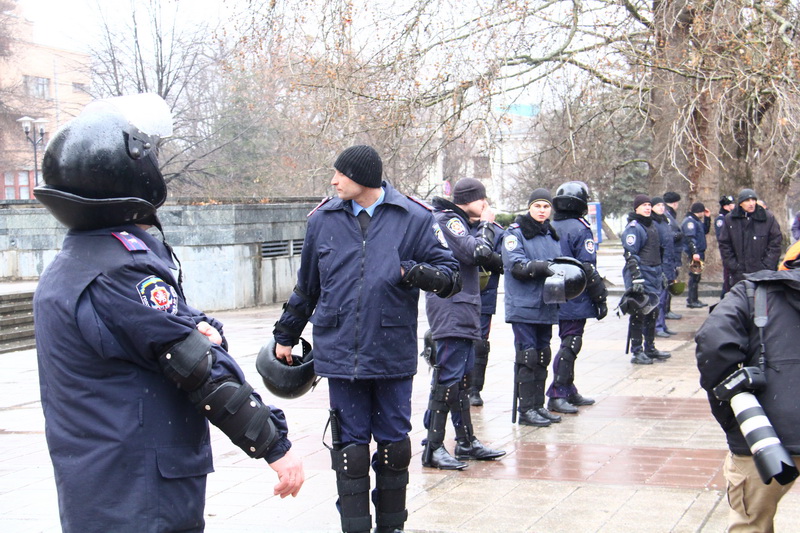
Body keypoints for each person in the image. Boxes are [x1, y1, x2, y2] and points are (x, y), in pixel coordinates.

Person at [32, 94, 304, 533]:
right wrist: (273, 443)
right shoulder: (120, 270)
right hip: (139, 491)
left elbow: (188, 329)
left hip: (105, 485)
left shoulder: (79, 262)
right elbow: (196, 363)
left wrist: (198, 331)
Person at [272, 145, 461, 533]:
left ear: (363, 178)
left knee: (394, 449)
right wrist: (286, 334)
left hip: (391, 351)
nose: (333, 180)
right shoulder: (322, 220)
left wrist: (411, 272)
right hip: (340, 351)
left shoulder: (413, 217)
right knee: (350, 453)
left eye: (340, 174)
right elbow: (307, 287)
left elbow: (451, 275)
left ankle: (391, 527)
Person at [696, 243, 800, 532]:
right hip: (766, 435)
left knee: (750, 524)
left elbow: (712, 346)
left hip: (764, 434)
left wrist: (735, 410)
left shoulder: (752, 292)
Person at [421, 177, 506, 470]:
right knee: (447, 378)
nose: (486, 204)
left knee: (462, 379)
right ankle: (433, 447)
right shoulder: (449, 220)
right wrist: (486, 224)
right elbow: (476, 252)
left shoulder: (457, 221)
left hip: (463, 307)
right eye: (481, 198)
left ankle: (466, 441)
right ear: (469, 199)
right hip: (451, 307)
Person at [503, 188, 564, 426]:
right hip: (524, 305)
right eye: (538, 206)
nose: (542, 210)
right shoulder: (515, 233)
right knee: (527, 357)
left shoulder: (551, 234)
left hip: (547, 304)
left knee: (542, 356)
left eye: (546, 206)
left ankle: (538, 405)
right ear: (529, 207)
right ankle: (526, 409)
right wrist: (542, 267)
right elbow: (516, 265)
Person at [546, 181, 608, 414]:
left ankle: (568, 388)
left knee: (566, 340)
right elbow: (587, 266)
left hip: (553, 291)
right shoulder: (580, 229)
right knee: (571, 341)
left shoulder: (552, 225)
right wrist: (599, 297)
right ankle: (557, 392)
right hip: (574, 292)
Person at [621, 194, 671, 365]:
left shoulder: (652, 225)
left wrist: (661, 274)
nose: (648, 208)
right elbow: (630, 254)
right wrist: (636, 278)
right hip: (641, 275)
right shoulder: (635, 228)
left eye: (649, 205)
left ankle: (650, 347)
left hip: (654, 273)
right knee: (638, 313)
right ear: (636, 208)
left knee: (653, 312)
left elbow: (657, 251)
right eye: (644, 205)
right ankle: (637, 351)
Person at [468, 217, 505, 407]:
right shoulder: (455, 224)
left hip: (485, 295)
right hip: (458, 293)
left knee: (480, 343)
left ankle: (474, 389)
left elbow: (505, 263)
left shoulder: (497, 231)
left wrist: (484, 254)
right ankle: (454, 385)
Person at [718, 188, 783, 292]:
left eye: (753, 200)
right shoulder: (730, 219)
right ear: (740, 203)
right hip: (739, 274)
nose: (751, 203)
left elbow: (776, 242)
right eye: (747, 201)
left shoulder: (768, 217)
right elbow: (725, 244)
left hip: (763, 274)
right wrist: (734, 266)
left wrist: (767, 265)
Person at [650, 197, 678, 338]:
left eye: (662, 205)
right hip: (659, 265)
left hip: (668, 264)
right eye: (658, 205)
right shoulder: (653, 223)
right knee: (659, 298)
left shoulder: (665, 221)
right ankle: (658, 326)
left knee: (665, 296)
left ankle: (663, 324)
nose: (661, 207)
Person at [681, 202, 711, 308]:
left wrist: (707, 218)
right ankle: (691, 300)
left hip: (699, 252)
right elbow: (690, 238)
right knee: (694, 277)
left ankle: (694, 299)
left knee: (697, 276)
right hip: (695, 254)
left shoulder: (696, 221)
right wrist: (694, 252)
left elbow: (705, 230)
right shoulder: (690, 222)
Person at [662, 191, 684, 319]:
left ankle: (667, 309)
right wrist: (679, 235)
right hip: (670, 255)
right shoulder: (667, 216)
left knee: (671, 281)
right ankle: (666, 310)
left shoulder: (670, 215)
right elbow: (668, 235)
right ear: (675, 203)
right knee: (669, 282)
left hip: (673, 254)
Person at [716, 195, 736, 296]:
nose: (734, 205)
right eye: (731, 204)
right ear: (726, 206)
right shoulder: (722, 219)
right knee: (727, 276)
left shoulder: (730, 218)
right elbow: (722, 237)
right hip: (727, 251)